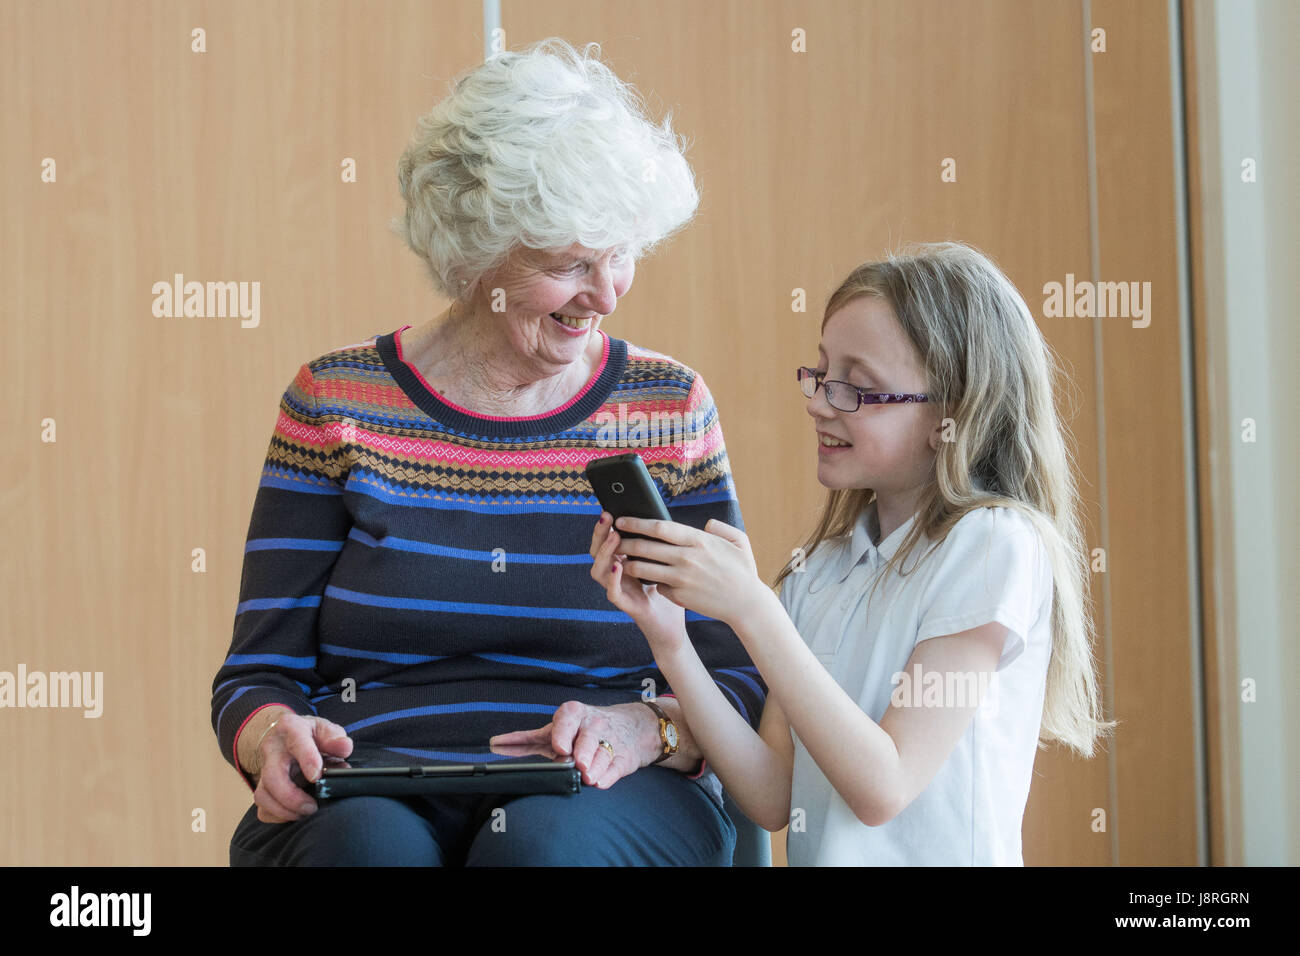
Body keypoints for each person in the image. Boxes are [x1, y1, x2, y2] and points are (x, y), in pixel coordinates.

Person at [211, 37, 765, 866]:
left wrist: (649, 727)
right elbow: (257, 673)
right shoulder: (335, 403)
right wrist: (272, 738)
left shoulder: (668, 407)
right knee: (372, 851)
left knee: (542, 851)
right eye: (573, 261)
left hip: (609, 790)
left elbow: (739, 675)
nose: (607, 292)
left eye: (620, 254)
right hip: (375, 782)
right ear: (481, 254)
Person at [590, 241, 1115, 865]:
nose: (818, 402)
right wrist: (670, 640)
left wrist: (754, 611)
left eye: (856, 389)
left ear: (951, 414)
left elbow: (883, 786)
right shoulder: (821, 571)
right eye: (821, 375)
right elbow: (773, 794)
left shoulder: (990, 546)